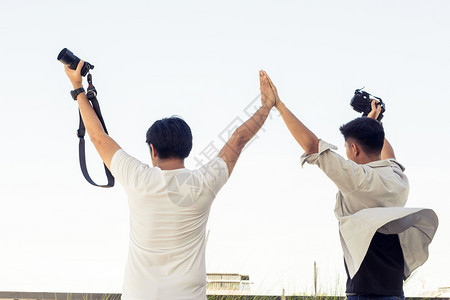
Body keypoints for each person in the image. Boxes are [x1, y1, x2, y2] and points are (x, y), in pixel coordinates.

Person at [64, 61, 276, 300]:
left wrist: (78, 89)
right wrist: (267, 106)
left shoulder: (137, 178)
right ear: (188, 148)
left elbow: (98, 137)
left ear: (152, 150)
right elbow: (238, 139)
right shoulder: (204, 183)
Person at [260, 71, 438, 299]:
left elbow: (313, 145)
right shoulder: (397, 178)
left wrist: (279, 105)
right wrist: (371, 122)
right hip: (394, 290)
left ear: (353, 149)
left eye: (347, 148)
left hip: (364, 291)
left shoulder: (357, 179)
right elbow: (387, 155)